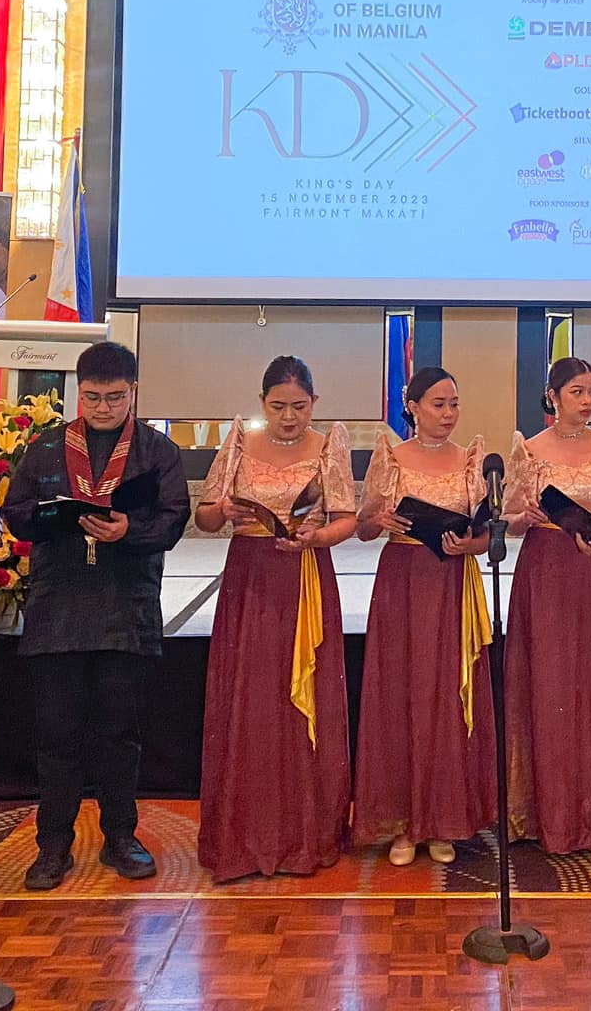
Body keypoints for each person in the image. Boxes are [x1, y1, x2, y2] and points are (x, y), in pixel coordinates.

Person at [0, 342, 189, 890]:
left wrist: (130, 529)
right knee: (56, 735)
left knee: (119, 733)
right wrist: (53, 518)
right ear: (77, 394)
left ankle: (120, 837)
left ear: (134, 392)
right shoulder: (47, 446)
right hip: (58, 609)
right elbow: (16, 513)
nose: (103, 407)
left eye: (114, 397)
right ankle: (53, 845)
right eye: (92, 397)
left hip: (125, 609)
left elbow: (173, 519)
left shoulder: (157, 451)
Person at [196, 355, 360, 882]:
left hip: (305, 576)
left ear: (314, 403)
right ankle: (244, 837)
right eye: (278, 406)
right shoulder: (240, 443)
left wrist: (318, 536)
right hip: (250, 579)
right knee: (251, 697)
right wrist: (223, 512)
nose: (289, 417)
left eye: (299, 407)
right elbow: (204, 516)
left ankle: (303, 834)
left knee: (302, 698)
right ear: (262, 403)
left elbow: (348, 518)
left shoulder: (329, 447)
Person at [355, 366, 498, 865]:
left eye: (454, 403)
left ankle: (443, 820)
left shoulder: (471, 460)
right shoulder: (390, 456)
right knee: (402, 694)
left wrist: (470, 545)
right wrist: (380, 519)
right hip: (402, 582)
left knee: (446, 695)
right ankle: (403, 823)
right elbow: (363, 529)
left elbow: (486, 535)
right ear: (412, 407)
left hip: (452, 583)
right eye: (438, 404)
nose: (449, 414)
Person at [504, 356, 591, 855]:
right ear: (553, 396)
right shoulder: (528, 449)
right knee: (549, 683)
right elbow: (511, 521)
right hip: (544, 571)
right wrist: (525, 517)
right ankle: (548, 816)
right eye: (577, 392)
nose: (587, 401)